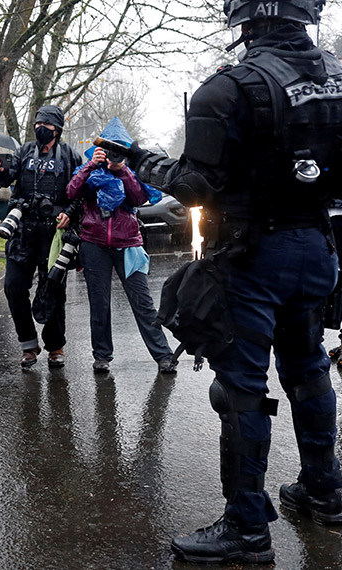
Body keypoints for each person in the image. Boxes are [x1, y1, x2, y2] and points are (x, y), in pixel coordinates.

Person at [128, 0, 342, 562]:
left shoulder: (227, 89)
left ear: (245, 16)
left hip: (254, 254)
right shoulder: (337, 78)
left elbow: (196, 185)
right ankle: (326, 488)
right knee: (309, 364)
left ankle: (246, 529)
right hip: (317, 247)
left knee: (241, 388)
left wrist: (145, 163)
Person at [66, 120, 175, 375]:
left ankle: (164, 356)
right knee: (99, 303)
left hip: (128, 245)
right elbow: (71, 192)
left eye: (120, 150)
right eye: (110, 150)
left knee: (143, 303)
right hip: (94, 243)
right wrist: (92, 165)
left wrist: (123, 169)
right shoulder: (90, 168)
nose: (114, 155)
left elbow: (139, 198)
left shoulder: (131, 171)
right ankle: (101, 356)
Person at [0, 106, 82, 368]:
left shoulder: (69, 156)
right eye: (37, 123)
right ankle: (28, 344)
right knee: (14, 286)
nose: (40, 128)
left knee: (54, 288)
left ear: (57, 129)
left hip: (54, 233)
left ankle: (55, 346)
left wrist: (69, 213)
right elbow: (7, 179)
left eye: (46, 124)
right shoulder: (24, 151)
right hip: (24, 230)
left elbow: (80, 191)